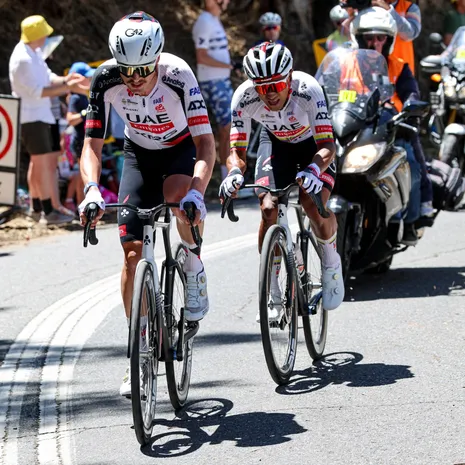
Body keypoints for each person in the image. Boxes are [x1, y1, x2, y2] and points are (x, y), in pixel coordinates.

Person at [77, 11, 216, 396]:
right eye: (127, 70)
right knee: (131, 254)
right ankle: (137, 351)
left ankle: (193, 261)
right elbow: (91, 145)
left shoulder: (178, 75)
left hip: (179, 149)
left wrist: (197, 191)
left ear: (156, 58)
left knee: (178, 199)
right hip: (138, 153)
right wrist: (91, 189)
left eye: (143, 70)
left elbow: (206, 143)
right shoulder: (105, 78)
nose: (134, 79)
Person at [220, 42, 345, 320]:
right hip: (276, 143)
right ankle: (273, 288)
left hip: (313, 146)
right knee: (268, 208)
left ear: (289, 77)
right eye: (262, 88)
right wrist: (234, 173)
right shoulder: (243, 97)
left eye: (276, 85)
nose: (270, 94)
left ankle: (331, 263)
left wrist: (314, 169)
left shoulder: (308, 89)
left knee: (311, 204)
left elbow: (328, 145)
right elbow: (236, 152)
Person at [351, 6, 430, 243]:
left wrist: (410, 106)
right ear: (359, 38)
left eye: (380, 37)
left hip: (390, 127)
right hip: (353, 126)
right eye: (369, 37)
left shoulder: (398, 65)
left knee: (410, 161)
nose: (375, 43)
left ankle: (410, 220)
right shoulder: (348, 64)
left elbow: (411, 92)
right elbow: (329, 87)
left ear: (389, 40)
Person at [9, 15, 88, 225]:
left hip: (42, 115)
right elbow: (38, 91)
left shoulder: (34, 53)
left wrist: (66, 80)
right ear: (37, 35)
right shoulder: (22, 59)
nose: (46, 37)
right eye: (44, 33)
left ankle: (38, 207)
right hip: (31, 117)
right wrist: (68, 87)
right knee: (42, 163)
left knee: (42, 163)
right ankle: (48, 210)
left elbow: (49, 77)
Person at [192, 0, 234, 180]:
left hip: (220, 80)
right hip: (213, 81)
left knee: (226, 129)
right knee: (227, 128)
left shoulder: (213, 20)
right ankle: (227, 178)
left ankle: (226, 176)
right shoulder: (204, 21)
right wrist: (229, 66)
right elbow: (201, 57)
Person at [371, 0, 421, 74]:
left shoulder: (410, 8)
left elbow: (410, 34)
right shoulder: (369, 6)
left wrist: (389, 10)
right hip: (370, 68)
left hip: (401, 72)